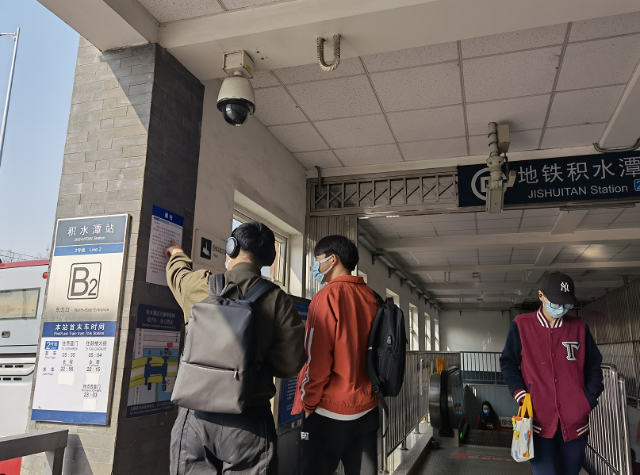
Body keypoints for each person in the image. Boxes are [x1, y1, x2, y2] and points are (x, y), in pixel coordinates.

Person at [165, 222, 306, 475]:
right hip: (249, 419)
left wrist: (177, 255)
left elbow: (178, 276)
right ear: (268, 258)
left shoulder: (201, 285)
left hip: (195, 417)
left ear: (232, 247)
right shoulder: (278, 300)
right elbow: (291, 364)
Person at [291, 235, 380, 475]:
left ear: (333, 259)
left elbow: (317, 360)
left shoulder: (326, 297)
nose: (316, 266)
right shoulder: (372, 297)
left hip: (328, 413)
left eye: (317, 259)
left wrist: (308, 402)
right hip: (367, 409)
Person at [500, 272, 604, 475]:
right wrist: (521, 394)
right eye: (556, 303)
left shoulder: (580, 328)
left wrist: (587, 399)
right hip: (538, 424)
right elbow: (508, 363)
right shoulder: (521, 326)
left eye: (566, 304)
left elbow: (594, 367)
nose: (561, 308)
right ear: (541, 296)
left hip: (575, 425)